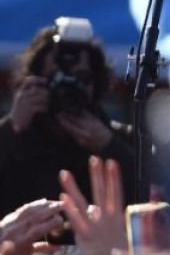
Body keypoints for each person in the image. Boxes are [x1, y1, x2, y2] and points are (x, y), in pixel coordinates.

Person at [0, 21, 140, 219]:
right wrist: (11, 128)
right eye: (58, 78)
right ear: (36, 81)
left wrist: (111, 147)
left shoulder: (123, 140)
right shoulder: (16, 141)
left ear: (95, 83)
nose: (70, 87)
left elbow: (155, 194)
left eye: (81, 78)